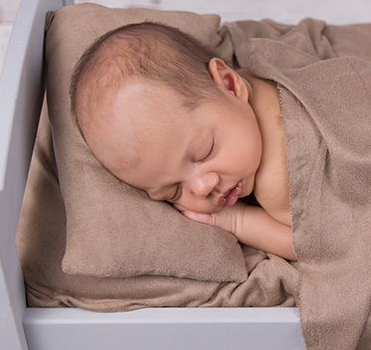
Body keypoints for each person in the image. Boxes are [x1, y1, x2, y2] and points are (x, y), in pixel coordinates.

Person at [71, 21, 296, 260]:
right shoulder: (244, 88)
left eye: (205, 152)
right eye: (174, 191)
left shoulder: (278, 182)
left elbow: (318, 243)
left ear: (230, 84)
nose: (202, 188)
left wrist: (239, 221)